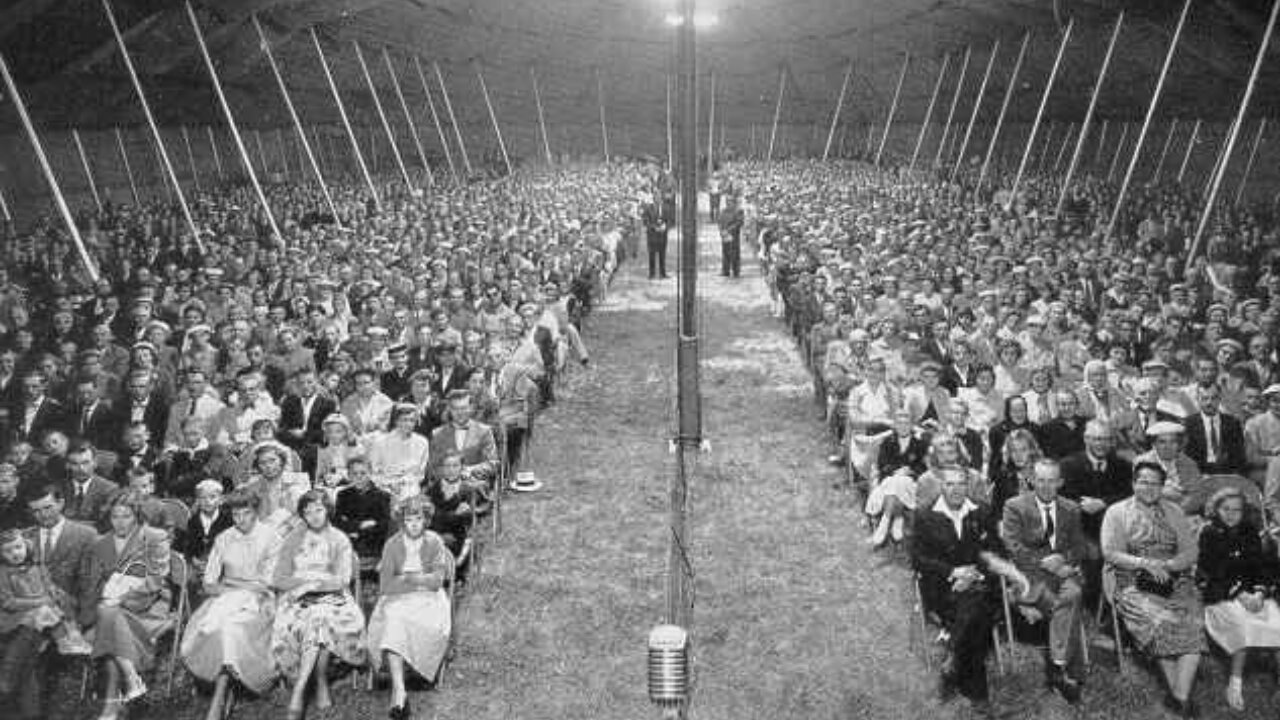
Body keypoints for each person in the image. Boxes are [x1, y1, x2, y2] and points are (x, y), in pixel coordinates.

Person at [913, 467, 1029, 716]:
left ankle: (955, 664)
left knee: (975, 606)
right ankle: (976, 692)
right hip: (941, 589)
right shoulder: (924, 515)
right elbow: (918, 559)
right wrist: (954, 573)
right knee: (978, 612)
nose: (956, 489)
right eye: (950, 484)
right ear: (940, 486)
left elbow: (996, 553)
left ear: (968, 485)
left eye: (961, 484)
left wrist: (974, 574)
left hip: (979, 584)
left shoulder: (982, 511)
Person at [1101, 461, 1203, 718]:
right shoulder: (1117, 511)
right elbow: (1110, 552)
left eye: (1155, 483)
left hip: (1173, 578)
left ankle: (1177, 700)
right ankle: (1183, 701)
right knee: (1160, 623)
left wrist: (1169, 565)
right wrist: (1145, 564)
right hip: (1131, 579)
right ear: (1133, 483)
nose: (1149, 487)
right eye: (1143, 481)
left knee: (1191, 624)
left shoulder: (1173, 510)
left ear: (1162, 486)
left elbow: (1190, 551)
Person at [180, 490, 281, 719]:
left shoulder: (271, 538)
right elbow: (208, 582)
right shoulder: (224, 538)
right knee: (214, 625)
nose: (241, 520)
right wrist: (232, 587)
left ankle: (221, 692)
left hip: (259, 602)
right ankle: (221, 678)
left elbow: (268, 582)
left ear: (256, 512)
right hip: (225, 596)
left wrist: (240, 585)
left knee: (231, 628)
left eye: (247, 513)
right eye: (236, 514)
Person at [271, 490, 366, 720]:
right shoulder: (293, 539)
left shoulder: (339, 539)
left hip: (334, 600)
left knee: (321, 617)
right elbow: (279, 578)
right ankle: (318, 682)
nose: (313, 516)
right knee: (315, 620)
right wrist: (304, 583)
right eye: (307, 512)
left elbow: (341, 580)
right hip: (297, 600)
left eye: (318, 510)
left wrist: (313, 586)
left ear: (328, 510)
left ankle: (300, 691)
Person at [1001, 459, 1087, 703]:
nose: (1046, 486)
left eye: (1052, 481)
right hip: (1029, 577)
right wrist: (1045, 562)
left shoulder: (1070, 508)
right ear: (1031, 480)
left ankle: (1057, 667)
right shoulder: (1014, 506)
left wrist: (1063, 559)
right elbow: (1013, 547)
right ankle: (1067, 672)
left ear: (1060, 482)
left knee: (1073, 594)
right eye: (1041, 480)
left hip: (1062, 572)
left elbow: (1080, 545)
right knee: (1066, 604)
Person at [80, 492, 173, 720]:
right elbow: (93, 583)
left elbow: (156, 579)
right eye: (115, 516)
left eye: (126, 516)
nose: (120, 522)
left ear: (137, 517)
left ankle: (112, 703)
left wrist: (122, 599)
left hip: (147, 602)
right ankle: (128, 684)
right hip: (109, 605)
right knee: (109, 618)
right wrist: (94, 606)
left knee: (108, 617)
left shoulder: (154, 537)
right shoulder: (100, 543)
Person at [366, 495, 452, 719]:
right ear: (401, 521)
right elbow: (386, 585)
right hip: (397, 597)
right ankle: (400, 690)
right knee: (394, 618)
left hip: (429, 599)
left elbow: (436, 581)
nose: (413, 524)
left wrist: (409, 578)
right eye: (408, 519)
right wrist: (415, 579)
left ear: (426, 520)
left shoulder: (434, 541)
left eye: (418, 519)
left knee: (404, 620)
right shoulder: (393, 544)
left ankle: (399, 693)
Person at [1196, 486, 1280, 711]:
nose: (1231, 514)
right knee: (1243, 626)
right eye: (1226, 509)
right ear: (1216, 509)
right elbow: (1214, 572)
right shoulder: (1209, 533)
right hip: (1222, 595)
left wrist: (1261, 592)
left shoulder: (1249, 531)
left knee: (1277, 623)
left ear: (1244, 512)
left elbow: (1261, 566)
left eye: (1237, 510)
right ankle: (1235, 682)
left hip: (1252, 593)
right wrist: (1241, 595)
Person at [0, 528, 92, 720]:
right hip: (12, 620)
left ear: (26, 545)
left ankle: (27, 708)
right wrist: (39, 602)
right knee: (40, 615)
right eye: (7, 551)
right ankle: (7, 682)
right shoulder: (3, 573)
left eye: (18, 547)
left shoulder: (37, 567)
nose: (15, 553)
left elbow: (49, 588)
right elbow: (8, 603)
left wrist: (51, 595)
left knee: (49, 614)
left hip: (39, 620)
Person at [366, 404, 430, 507]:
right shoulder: (380, 443)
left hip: (411, 488)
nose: (408, 424)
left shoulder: (422, 442)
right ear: (396, 421)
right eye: (404, 420)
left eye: (411, 420)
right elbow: (373, 472)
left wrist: (406, 483)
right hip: (385, 488)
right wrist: (390, 485)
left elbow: (420, 474)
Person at [334, 456, 392, 561]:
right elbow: (337, 522)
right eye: (354, 474)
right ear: (348, 476)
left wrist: (355, 531)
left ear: (370, 474)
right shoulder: (342, 495)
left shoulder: (383, 496)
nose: (359, 477)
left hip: (372, 546)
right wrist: (360, 525)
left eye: (363, 473)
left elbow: (384, 526)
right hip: (347, 542)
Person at [424, 453, 475, 559]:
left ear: (462, 468)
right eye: (447, 466)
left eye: (455, 466)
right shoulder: (433, 488)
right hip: (432, 533)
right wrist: (453, 515)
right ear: (442, 468)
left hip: (454, 537)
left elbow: (465, 520)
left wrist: (437, 514)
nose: (451, 470)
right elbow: (428, 516)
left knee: (445, 545)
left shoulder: (466, 490)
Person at [641, 194, 668, 280]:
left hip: (662, 235)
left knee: (662, 254)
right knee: (652, 254)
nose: (658, 200)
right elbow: (645, 221)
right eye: (656, 198)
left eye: (659, 198)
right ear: (654, 199)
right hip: (652, 235)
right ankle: (652, 274)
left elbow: (669, 220)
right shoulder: (648, 208)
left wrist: (665, 226)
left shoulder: (665, 208)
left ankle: (662, 273)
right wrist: (654, 227)